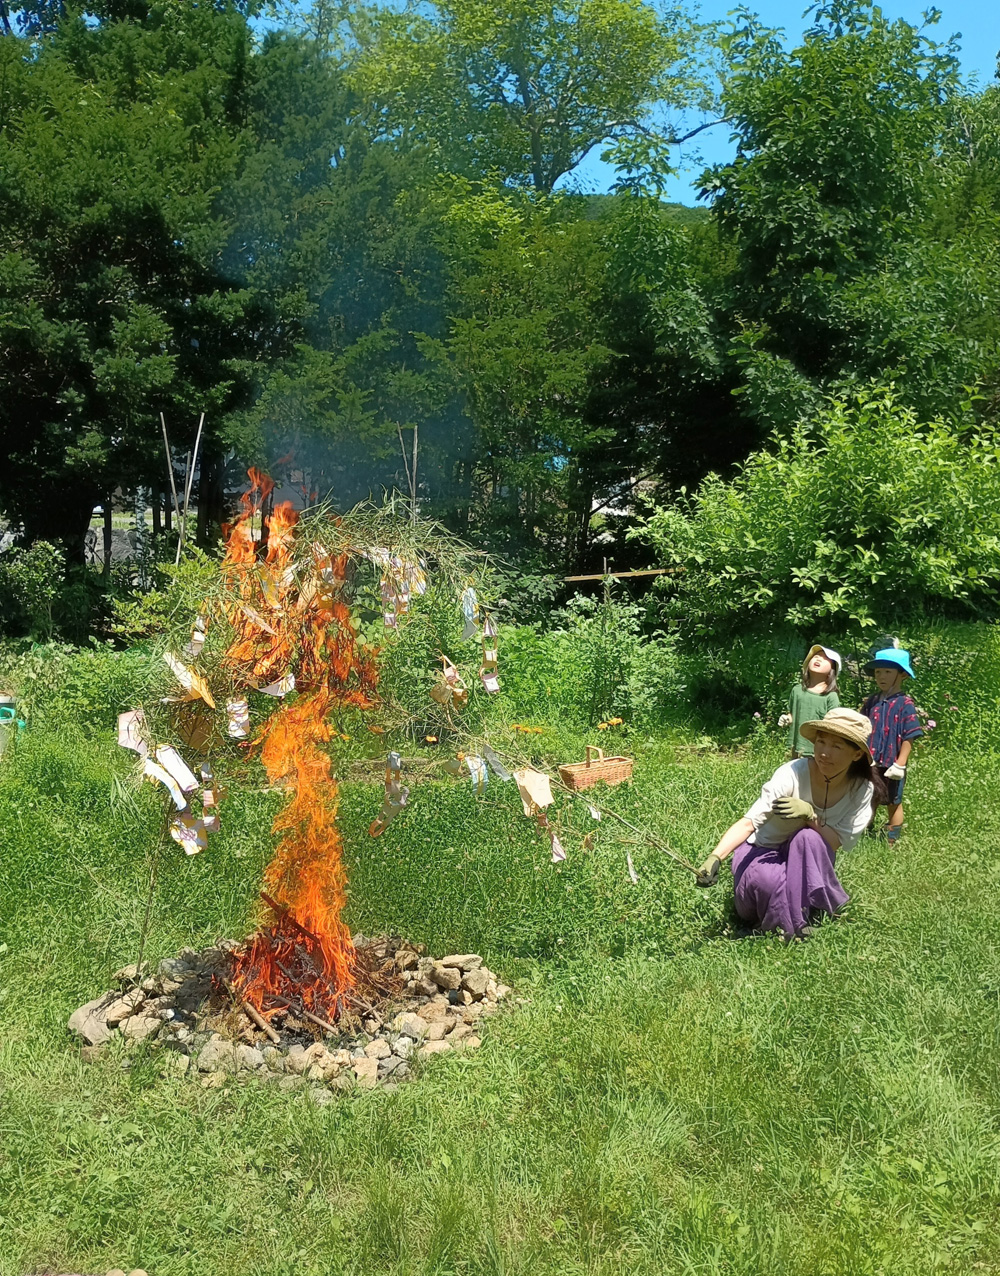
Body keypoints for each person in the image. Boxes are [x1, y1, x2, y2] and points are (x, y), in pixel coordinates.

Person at [695, 708, 885, 939]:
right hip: (764, 851)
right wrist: (715, 857)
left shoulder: (860, 789)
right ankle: (790, 917)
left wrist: (810, 816)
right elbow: (749, 822)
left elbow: (835, 843)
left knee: (808, 837)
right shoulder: (793, 773)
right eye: (821, 742)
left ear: (856, 754)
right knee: (768, 882)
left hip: (809, 857)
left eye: (836, 746)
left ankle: (788, 923)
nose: (825, 753)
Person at [860, 646, 922, 845]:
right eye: (878, 671)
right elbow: (860, 725)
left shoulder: (905, 703)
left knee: (893, 801)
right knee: (868, 796)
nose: (881, 676)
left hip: (892, 764)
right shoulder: (871, 701)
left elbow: (910, 735)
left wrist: (900, 764)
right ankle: (864, 833)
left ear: (902, 674)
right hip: (870, 761)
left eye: (888, 671)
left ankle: (892, 841)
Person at [777, 644, 841, 758]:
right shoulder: (797, 690)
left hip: (817, 752)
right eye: (816, 656)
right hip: (796, 749)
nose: (818, 659)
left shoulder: (830, 696)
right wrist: (787, 719)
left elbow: (833, 725)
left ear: (832, 670)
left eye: (825, 658)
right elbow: (792, 714)